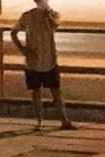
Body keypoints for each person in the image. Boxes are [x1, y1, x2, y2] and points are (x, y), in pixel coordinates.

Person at [11, 0, 74, 131]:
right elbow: (14, 32)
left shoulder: (48, 15)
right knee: (47, 91)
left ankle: (51, 121)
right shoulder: (28, 16)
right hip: (42, 61)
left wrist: (23, 49)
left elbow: (55, 25)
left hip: (42, 60)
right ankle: (54, 121)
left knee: (46, 91)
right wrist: (23, 49)